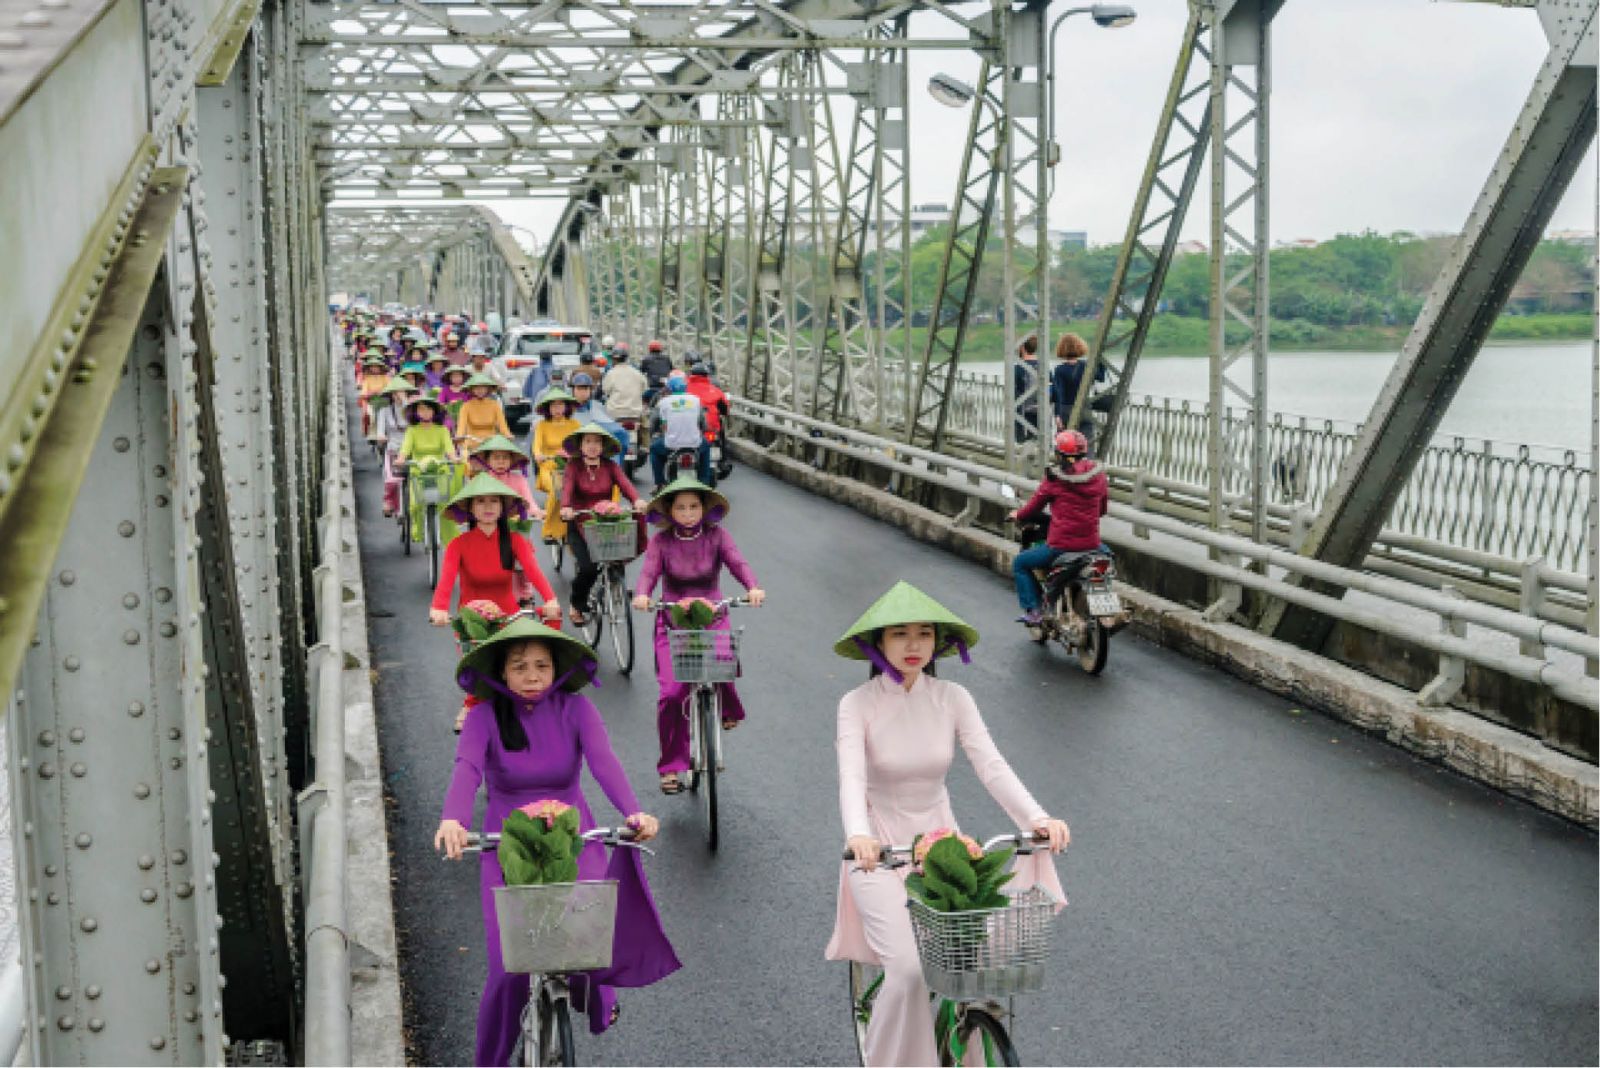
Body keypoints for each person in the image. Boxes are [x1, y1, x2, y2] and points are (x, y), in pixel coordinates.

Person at [824, 581, 1070, 1068]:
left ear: (940, 641)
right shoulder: (857, 704)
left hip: (944, 851)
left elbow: (991, 765)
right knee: (911, 971)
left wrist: (1037, 818)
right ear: (878, 643)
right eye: (900, 634)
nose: (914, 645)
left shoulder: (953, 698)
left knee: (978, 964)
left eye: (924, 634)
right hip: (879, 853)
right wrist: (858, 834)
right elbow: (851, 776)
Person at [434, 617, 679, 1067]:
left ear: (556, 669)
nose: (531, 676)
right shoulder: (484, 715)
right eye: (520, 666)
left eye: (542, 666)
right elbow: (467, 768)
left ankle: (595, 998)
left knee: (586, 938)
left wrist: (632, 812)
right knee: (509, 969)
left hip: (574, 834)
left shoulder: (578, 709)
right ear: (501, 672)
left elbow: (604, 762)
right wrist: (453, 819)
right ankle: (489, 1061)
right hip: (505, 843)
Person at [631, 479, 766, 794]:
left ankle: (728, 708)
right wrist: (642, 595)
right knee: (671, 694)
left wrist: (753, 587)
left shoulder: (718, 536)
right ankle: (671, 767)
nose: (688, 513)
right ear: (669, 510)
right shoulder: (661, 542)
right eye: (681, 507)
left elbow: (737, 563)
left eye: (694, 506)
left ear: (705, 509)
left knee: (722, 660)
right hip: (673, 618)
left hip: (712, 612)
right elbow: (649, 572)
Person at [1005, 429, 1109, 625]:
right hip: (1092, 544)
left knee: (1020, 563)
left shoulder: (1055, 478)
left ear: (1060, 454)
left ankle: (1034, 611)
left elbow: (1032, 508)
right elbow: (1102, 510)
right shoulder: (1099, 477)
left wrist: (1017, 514)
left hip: (1061, 546)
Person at [558, 425, 646, 628]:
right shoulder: (574, 466)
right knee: (588, 568)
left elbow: (626, 485)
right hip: (579, 522)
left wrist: (637, 500)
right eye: (588, 441)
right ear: (580, 445)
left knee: (618, 554)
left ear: (603, 446)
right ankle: (576, 603)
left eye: (597, 442)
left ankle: (615, 583)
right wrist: (566, 508)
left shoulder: (610, 466)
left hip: (606, 521)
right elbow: (567, 489)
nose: (592, 446)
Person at [397, 396, 462, 542]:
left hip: (439, 468)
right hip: (418, 469)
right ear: (416, 412)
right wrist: (401, 459)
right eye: (421, 409)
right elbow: (405, 449)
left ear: (434, 412)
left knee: (446, 502)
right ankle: (417, 530)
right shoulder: (412, 431)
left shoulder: (442, 430)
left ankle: (447, 535)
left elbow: (450, 450)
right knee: (414, 505)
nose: (425, 413)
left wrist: (454, 459)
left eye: (428, 409)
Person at [529, 388, 581, 549]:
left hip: (571, 465)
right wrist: (539, 455)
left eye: (560, 405)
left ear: (567, 407)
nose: (557, 409)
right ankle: (549, 531)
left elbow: (581, 445)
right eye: (553, 406)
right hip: (548, 466)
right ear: (547, 409)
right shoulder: (542, 425)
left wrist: (574, 454)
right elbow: (536, 447)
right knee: (555, 490)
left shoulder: (575, 424)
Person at [648, 372, 709, 486]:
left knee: (654, 450)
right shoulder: (695, 400)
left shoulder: (663, 402)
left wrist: (652, 434)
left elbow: (654, 422)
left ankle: (660, 483)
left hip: (671, 444)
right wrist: (702, 431)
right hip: (694, 444)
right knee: (706, 447)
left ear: (669, 388)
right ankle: (704, 481)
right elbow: (702, 422)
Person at [1047, 333, 1105, 448]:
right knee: (1087, 442)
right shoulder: (1086, 366)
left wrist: (1057, 415)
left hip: (1066, 410)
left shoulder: (1059, 370)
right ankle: (1087, 463)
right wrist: (1101, 363)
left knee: (1067, 443)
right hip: (1085, 408)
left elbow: (1059, 394)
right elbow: (1101, 378)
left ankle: (1069, 464)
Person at [566, 371, 632, 459]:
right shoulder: (566, 407)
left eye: (585, 389)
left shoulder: (597, 406)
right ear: (573, 390)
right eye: (579, 389)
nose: (582, 392)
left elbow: (610, 425)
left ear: (590, 391)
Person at [683, 362, 729, 483]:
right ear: (707, 375)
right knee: (720, 437)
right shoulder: (715, 390)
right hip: (711, 428)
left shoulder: (684, 388)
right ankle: (723, 461)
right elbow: (725, 409)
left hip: (689, 428)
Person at [374, 377, 413, 518]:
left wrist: (406, 403)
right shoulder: (384, 411)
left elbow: (416, 423)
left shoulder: (412, 410)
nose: (398, 395)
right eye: (395, 393)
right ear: (391, 394)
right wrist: (380, 436)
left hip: (411, 447)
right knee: (391, 478)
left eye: (402, 392)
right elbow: (380, 430)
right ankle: (389, 501)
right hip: (393, 447)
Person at [455, 373, 512, 450]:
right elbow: (461, 426)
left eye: (483, 387)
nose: (480, 390)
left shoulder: (494, 404)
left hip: (491, 443)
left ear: (488, 389)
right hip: (472, 443)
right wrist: (459, 437)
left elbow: (502, 424)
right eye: (476, 388)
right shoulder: (466, 406)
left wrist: (508, 435)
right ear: (472, 389)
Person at [1013, 334, 1041, 444]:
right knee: (1039, 440)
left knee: (1023, 443)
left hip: (1023, 411)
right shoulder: (1044, 367)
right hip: (1041, 409)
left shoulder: (1018, 368)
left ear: (1022, 348)